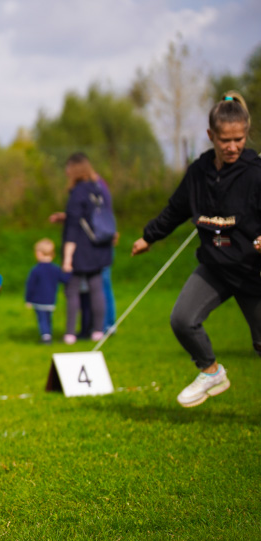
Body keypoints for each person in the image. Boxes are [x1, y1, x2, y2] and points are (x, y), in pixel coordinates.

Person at [131, 91, 261, 408]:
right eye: (225, 140)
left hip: (252, 270)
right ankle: (211, 371)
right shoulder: (198, 173)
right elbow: (176, 209)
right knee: (182, 320)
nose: (232, 147)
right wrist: (149, 236)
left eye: (239, 139)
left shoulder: (256, 173)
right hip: (215, 267)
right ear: (210, 136)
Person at [49, 154, 118, 335]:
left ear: (74, 170)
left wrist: (67, 258)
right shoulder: (99, 187)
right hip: (101, 244)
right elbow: (98, 216)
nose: (66, 171)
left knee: (74, 290)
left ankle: (74, 332)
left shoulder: (78, 192)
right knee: (99, 288)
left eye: (68, 168)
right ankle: (99, 329)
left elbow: (73, 226)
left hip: (83, 248)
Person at [25, 238, 68, 344]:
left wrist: (28, 299)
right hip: (51, 299)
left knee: (42, 319)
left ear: (39, 254)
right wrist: (69, 270)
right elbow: (65, 279)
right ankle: (48, 333)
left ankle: (45, 337)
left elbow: (30, 286)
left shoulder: (36, 270)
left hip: (38, 300)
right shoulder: (56, 269)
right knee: (48, 318)